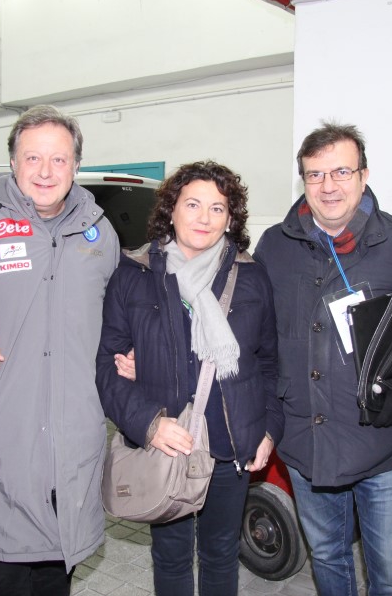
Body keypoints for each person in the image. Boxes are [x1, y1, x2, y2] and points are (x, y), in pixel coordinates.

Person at [253, 122, 392, 596]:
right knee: (328, 557)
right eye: (315, 174)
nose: (328, 186)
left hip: (380, 441)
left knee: (390, 576)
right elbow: (252, 330)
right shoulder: (275, 247)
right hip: (305, 440)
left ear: (364, 176)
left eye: (341, 172)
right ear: (304, 180)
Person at [0, 104, 119, 596]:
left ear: (76, 165)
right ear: (12, 161)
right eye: (33, 158)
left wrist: (125, 354)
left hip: (72, 442)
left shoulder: (99, 233)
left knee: (56, 579)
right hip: (2, 441)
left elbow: (115, 317)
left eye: (59, 159)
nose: (46, 171)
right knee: (5, 574)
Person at [97, 160, 282, 596]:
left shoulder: (251, 276)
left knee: (221, 553)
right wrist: (149, 424)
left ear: (230, 218)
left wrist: (269, 430)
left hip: (231, 445)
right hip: (168, 443)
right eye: (193, 204)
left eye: (218, 208)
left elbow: (271, 364)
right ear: (171, 210)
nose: (204, 217)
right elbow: (106, 366)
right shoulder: (134, 274)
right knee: (171, 557)